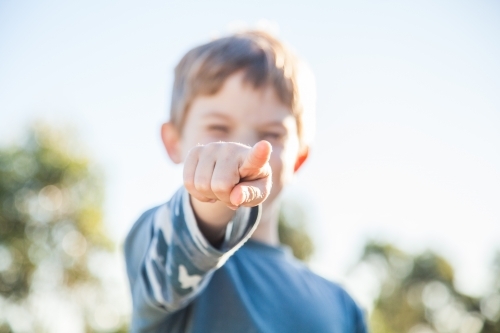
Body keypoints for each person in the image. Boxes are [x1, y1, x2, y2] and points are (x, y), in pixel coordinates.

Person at [124, 30, 367, 333]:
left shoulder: (343, 307)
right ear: (173, 142)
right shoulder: (152, 241)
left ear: (299, 159)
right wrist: (213, 202)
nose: (243, 150)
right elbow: (184, 239)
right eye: (218, 127)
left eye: (272, 134)